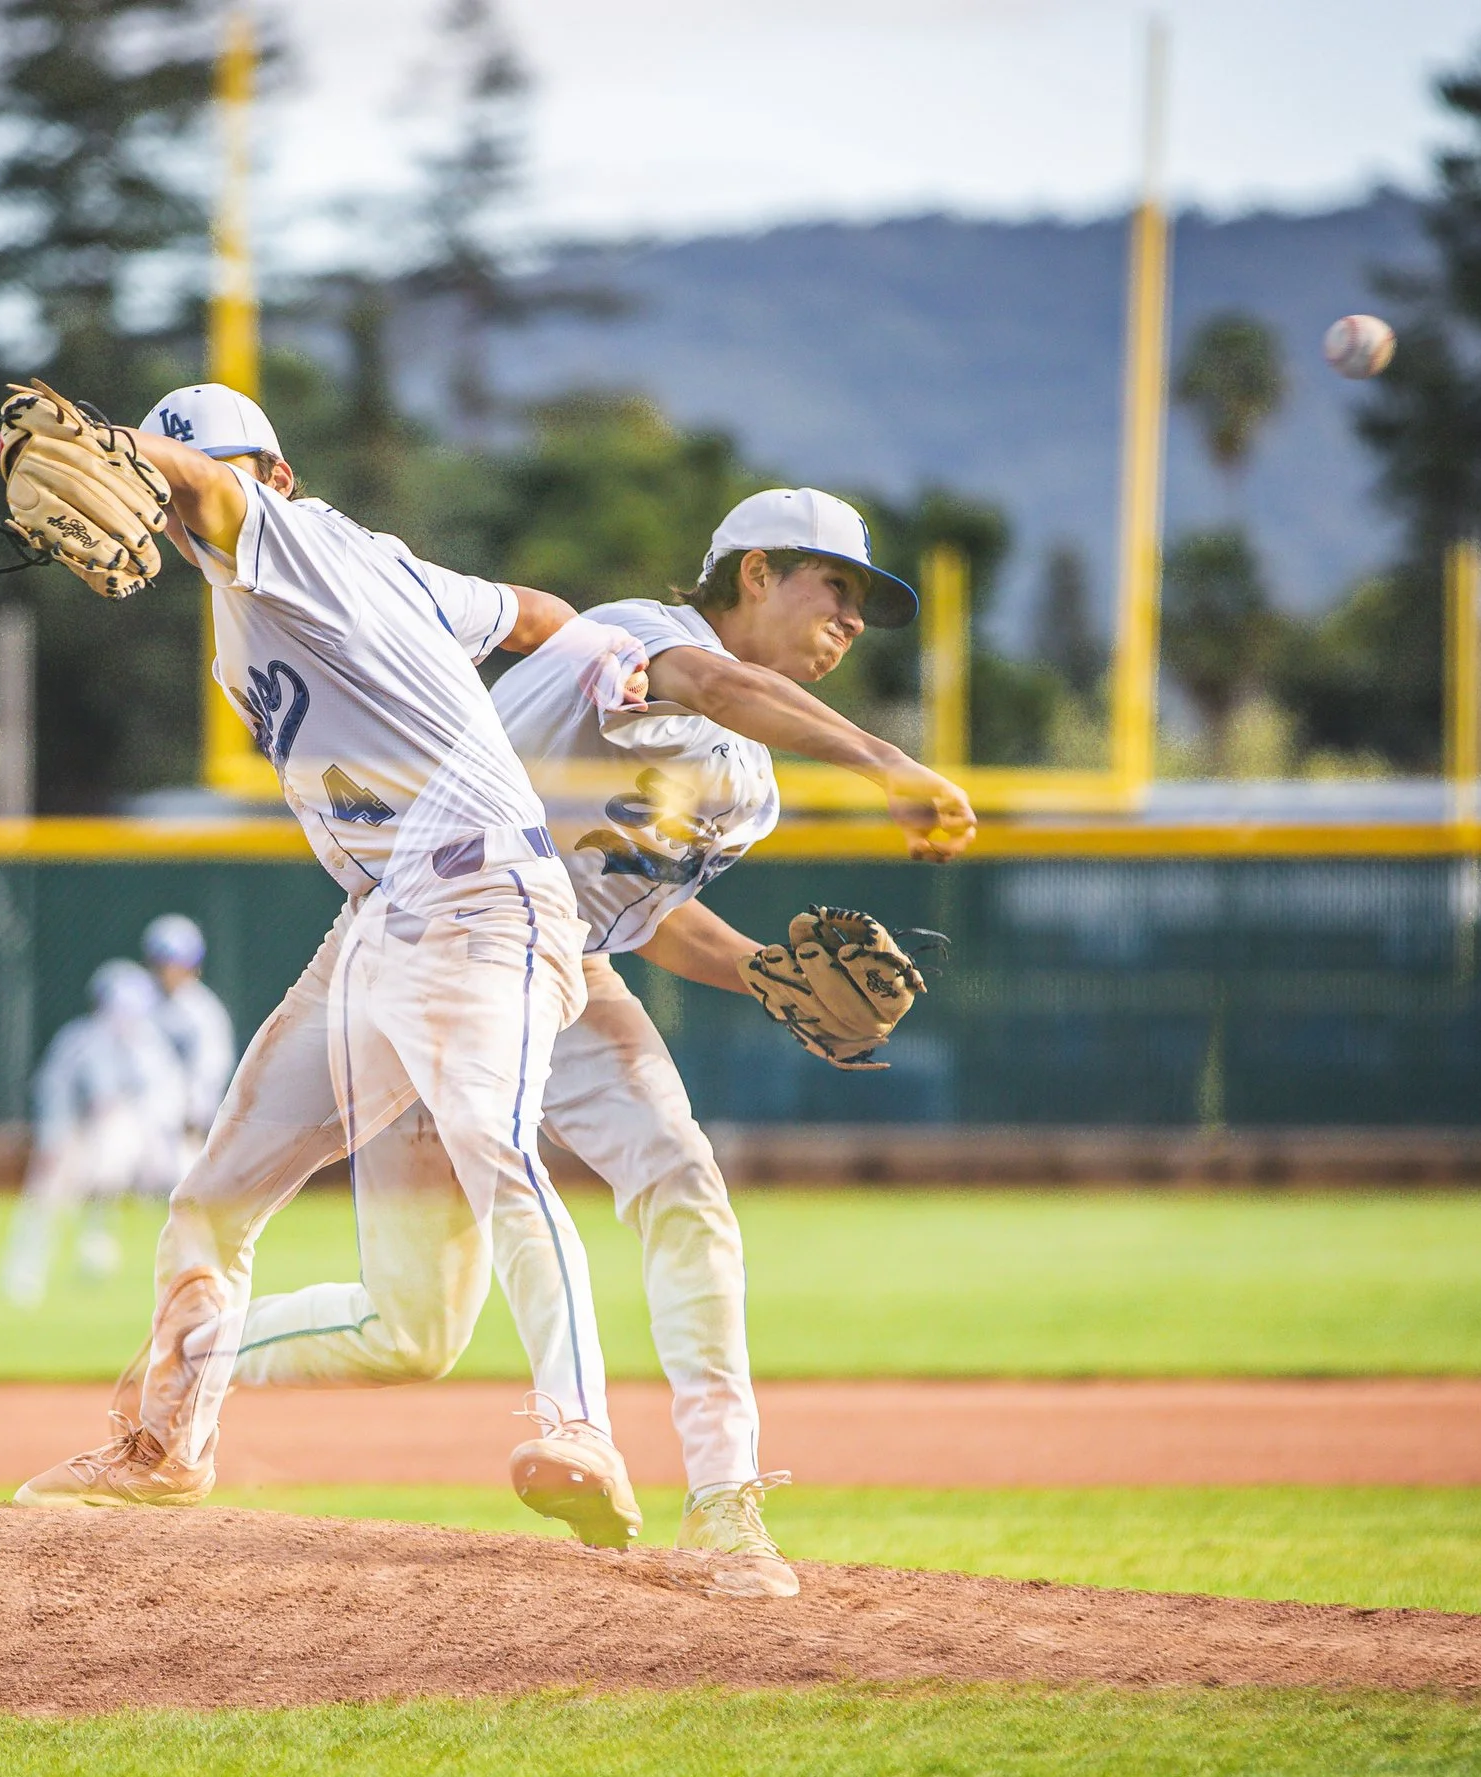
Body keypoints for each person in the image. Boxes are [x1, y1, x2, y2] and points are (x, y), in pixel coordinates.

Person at [227, 488, 976, 1594]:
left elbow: (644, 916)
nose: (853, 620)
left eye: (863, 604)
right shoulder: (629, 635)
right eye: (836, 587)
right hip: (434, 952)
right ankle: (183, 1358)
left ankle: (724, 1501)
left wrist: (763, 973)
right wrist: (886, 763)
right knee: (411, 1330)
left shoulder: (748, 785)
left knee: (678, 1180)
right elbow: (714, 684)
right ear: (756, 571)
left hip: (565, 968)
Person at [13, 381, 653, 1547]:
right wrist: (602, 646)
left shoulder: (294, 538)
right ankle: (164, 1447)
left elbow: (211, 488)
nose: (169, 506)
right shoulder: (361, 571)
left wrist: (128, 446)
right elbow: (524, 611)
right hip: (376, 924)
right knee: (226, 1208)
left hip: (485, 902)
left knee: (495, 1145)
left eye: (192, 480)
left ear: (276, 477)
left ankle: (582, 1434)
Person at [3, 960, 189, 1306]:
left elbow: (164, 1100)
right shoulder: (79, 1040)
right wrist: (53, 1138)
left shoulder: (150, 1045)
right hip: (76, 1133)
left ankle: (112, 1247)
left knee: (177, 1175)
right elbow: (54, 1092)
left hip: (127, 1139)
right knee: (45, 1200)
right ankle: (25, 1275)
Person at [137, 911, 235, 1174]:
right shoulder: (137, 1001)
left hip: (182, 1119)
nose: (168, 971)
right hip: (136, 1111)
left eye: (175, 963)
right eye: (162, 963)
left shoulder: (204, 1011)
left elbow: (211, 1070)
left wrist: (196, 1114)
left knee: (183, 1174)